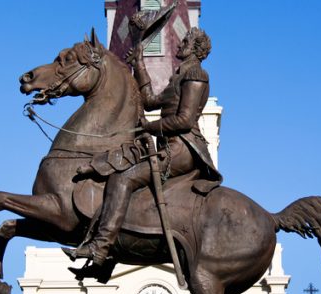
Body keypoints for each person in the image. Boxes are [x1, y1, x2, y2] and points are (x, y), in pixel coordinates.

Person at [63, 27, 221, 269]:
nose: (180, 44)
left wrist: (150, 127)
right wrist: (139, 63)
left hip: (182, 151)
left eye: (186, 41)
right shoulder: (178, 77)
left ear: (196, 49)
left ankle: (101, 246)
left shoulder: (197, 75)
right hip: (169, 147)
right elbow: (149, 101)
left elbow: (185, 121)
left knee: (123, 179)